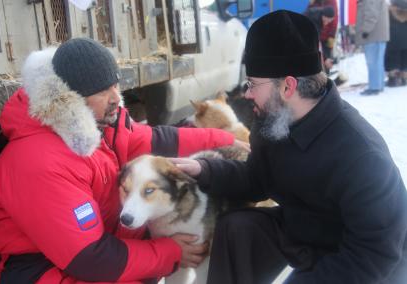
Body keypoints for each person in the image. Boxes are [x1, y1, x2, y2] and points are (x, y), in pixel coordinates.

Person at [0, 38, 247, 283]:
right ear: (71, 100)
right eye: (102, 91)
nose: (115, 98)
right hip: (45, 272)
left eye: (115, 84)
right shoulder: (39, 162)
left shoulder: (102, 125)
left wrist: (221, 139)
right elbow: (89, 258)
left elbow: (154, 139)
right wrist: (170, 252)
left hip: (91, 252)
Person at [171, 10, 407, 284]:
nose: (246, 93)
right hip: (307, 229)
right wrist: (205, 170)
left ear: (288, 87)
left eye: (253, 84)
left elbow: (374, 254)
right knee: (237, 228)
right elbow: (256, 179)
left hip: (368, 260)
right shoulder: (273, 121)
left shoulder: (361, 155)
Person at [355, 0, 390, 95]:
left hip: (373, 35)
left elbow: (371, 14)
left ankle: (374, 87)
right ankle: (379, 85)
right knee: (378, 62)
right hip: (377, 34)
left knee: (373, 62)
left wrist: (366, 30)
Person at [385, 0, 407, 87]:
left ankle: (393, 80)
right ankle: (404, 78)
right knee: (405, 59)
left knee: (392, 60)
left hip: (393, 37)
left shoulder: (389, 9)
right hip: (405, 38)